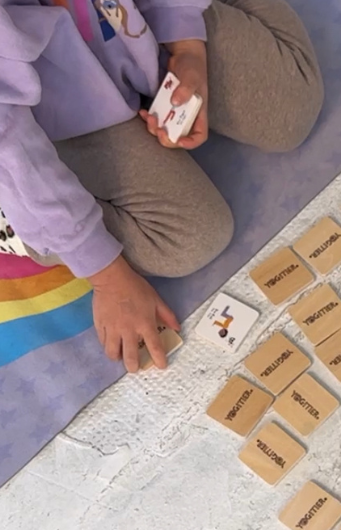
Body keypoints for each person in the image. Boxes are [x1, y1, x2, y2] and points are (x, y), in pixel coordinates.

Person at [0, 0, 323, 371]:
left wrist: (187, 42)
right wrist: (105, 274)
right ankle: (18, 221)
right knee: (194, 237)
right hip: (42, 108)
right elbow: (9, 140)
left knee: (288, 110)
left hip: (129, 23)